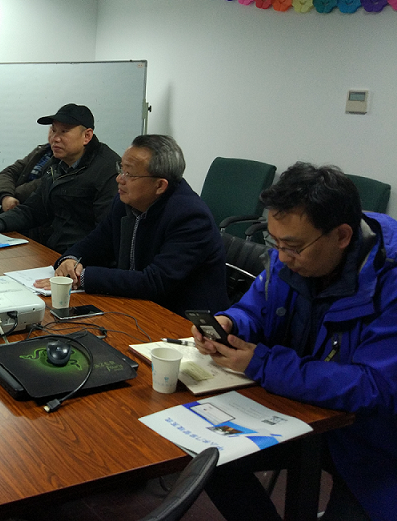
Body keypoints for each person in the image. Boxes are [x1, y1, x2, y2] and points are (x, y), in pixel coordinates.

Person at [192, 162, 397, 521]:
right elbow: (256, 309)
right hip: (297, 409)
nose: (282, 257)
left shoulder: (389, 279)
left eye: (293, 247)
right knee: (206, 459)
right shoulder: (289, 257)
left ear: (342, 236)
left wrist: (262, 363)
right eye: (275, 242)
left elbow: (376, 386)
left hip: (373, 443)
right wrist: (232, 322)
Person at [42, 134, 228, 317]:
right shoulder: (125, 202)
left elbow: (155, 282)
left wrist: (83, 277)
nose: (119, 179)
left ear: (160, 185)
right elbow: (95, 242)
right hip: (136, 306)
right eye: (121, 169)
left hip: (184, 321)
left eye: (129, 174)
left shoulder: (190, 217)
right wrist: (71, 260)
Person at [0, 103, 120, 254]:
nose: (55, 138)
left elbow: (105, 232)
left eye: (64, 132)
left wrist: (75, 258)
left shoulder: (107, 170)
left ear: (87, 136)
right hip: (50, 251)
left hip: (80, 258)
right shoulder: (56, 164)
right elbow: (34, 209)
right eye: (53, 130)